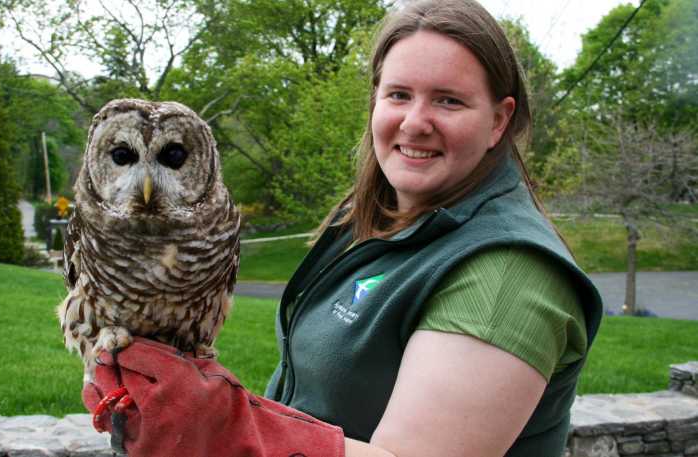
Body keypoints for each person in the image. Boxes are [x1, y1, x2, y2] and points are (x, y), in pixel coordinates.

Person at [83, 0, 603, 456]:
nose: (415, 121)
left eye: (448, 100)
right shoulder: (377, 223)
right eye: (399, 94)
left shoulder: (506, 277)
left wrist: (222, 426)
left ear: (498, 120)